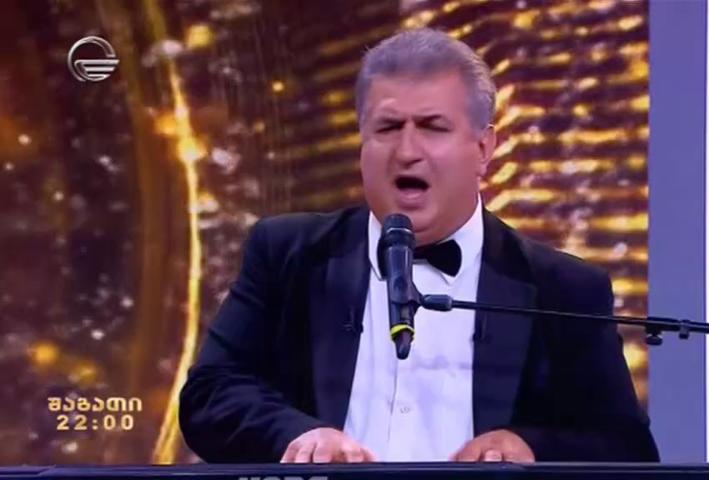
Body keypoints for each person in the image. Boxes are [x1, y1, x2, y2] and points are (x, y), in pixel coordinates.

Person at [179, 28, 658, 464]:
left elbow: (625, 447)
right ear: (362, 142)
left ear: (484, 149)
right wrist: (299, 435)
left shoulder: (563, 288)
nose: (407, 151)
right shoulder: (288, 254)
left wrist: (528, 447)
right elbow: (210, 394)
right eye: (388, 128)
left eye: (433, 127)